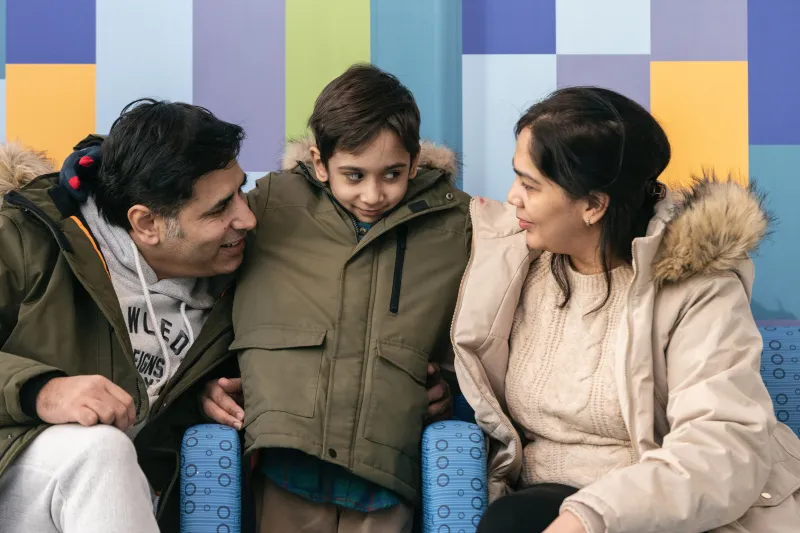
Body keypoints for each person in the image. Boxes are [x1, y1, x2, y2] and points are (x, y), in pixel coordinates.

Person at [0, 98, 453, 533]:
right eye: (220, 208)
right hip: (20, 474)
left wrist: (407, 382)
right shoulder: (28, 240)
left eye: (240, 190)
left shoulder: (245, 269)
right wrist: (41, 390)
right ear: (146, 224)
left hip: (133, 504)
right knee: (100, 452)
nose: (248, 217)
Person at [450, 86, 800, 533]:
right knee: (511, 520)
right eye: (517, 176)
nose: (512, 196)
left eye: (530, 184)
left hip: (663, 509)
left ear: (594, 205)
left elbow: (723, 444)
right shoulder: (513, 260)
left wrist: (590, 516)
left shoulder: (697, 287)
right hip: (541, 503)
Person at [233, 64, 470, 533]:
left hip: (387, 468)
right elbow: (209, 298)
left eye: (392, 174)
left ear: (416, 160)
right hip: (289, 460)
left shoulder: (456, 224)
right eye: (354, 175)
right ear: (320, 162)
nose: (374, 193)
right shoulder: (268, 206)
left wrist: (450, 387)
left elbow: (482, 329)